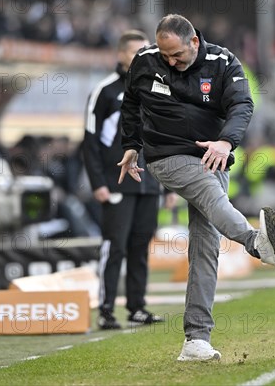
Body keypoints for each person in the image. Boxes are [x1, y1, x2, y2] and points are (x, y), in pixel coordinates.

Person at [117, 14, 275, 361]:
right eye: (164, 55)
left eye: (176, 54)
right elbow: (131, 103)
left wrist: (226, 142)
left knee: (205, 246)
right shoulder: (144, 62)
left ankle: (195, 339)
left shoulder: (223, 62)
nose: (170, 62)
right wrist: (132, 144)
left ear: (194, 41)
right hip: (166, 155)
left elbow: (242, 105)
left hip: (214, 154)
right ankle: (256, 243)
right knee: (211, 197)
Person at [83, 30, 164, 330]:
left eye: (146, 52)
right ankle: (106, 310)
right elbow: (89, 141)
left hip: (149, 182)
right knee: (114, 246)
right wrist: (97, 183)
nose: (141, 57)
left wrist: (165, 185)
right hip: (116, 182)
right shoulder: (104, 91)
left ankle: (137, 307)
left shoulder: (157, 88)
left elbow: (163, 137)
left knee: (140, 246)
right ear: (120, 55)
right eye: (135, 52)